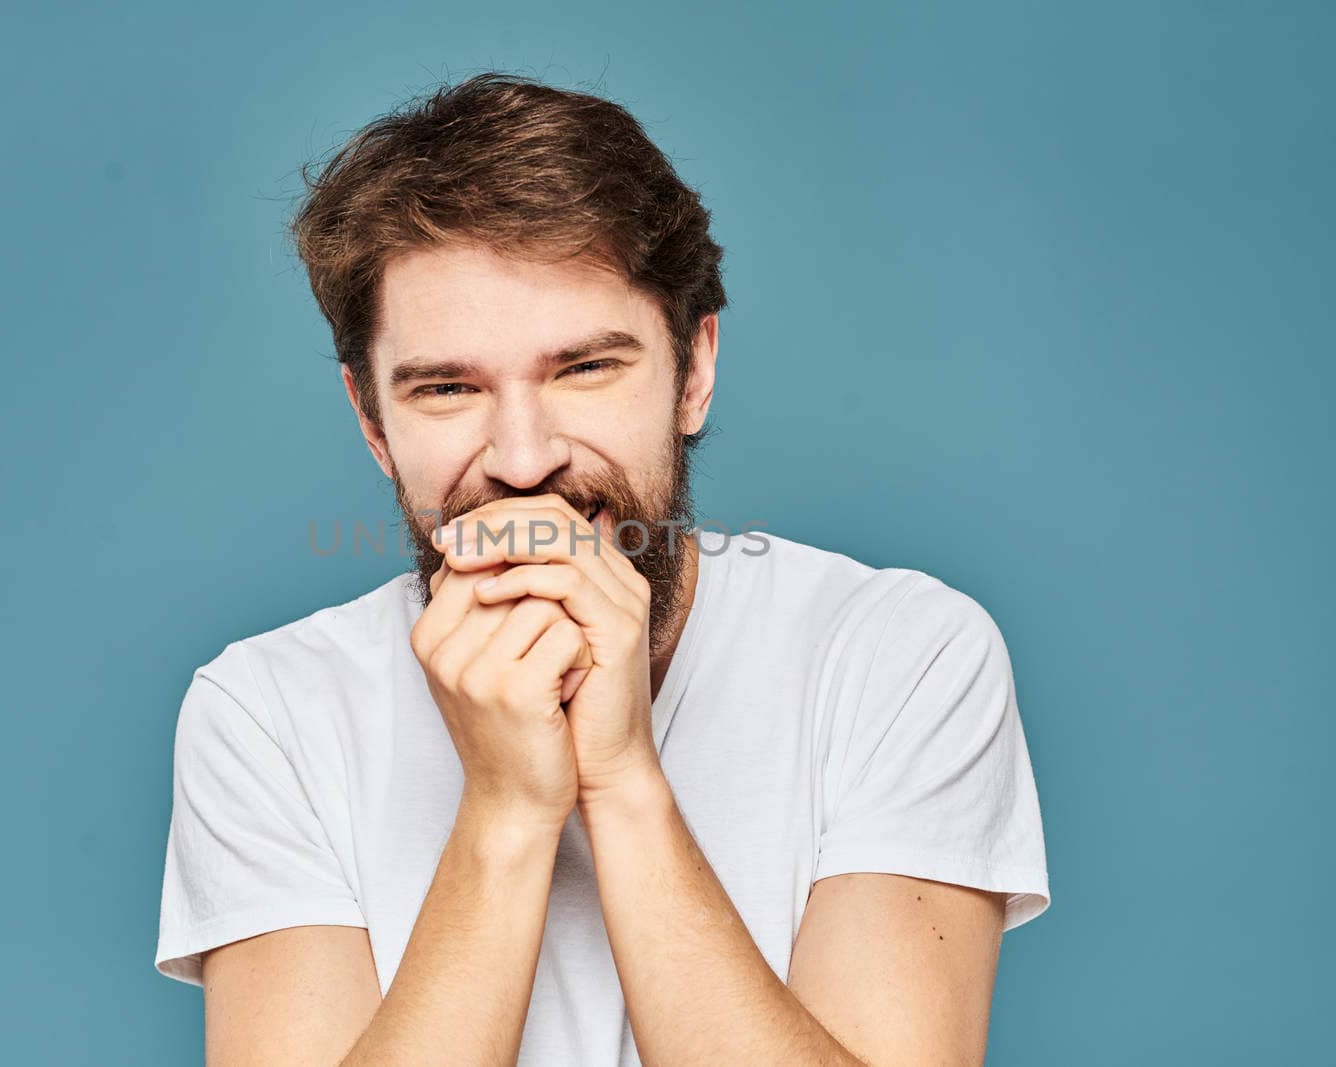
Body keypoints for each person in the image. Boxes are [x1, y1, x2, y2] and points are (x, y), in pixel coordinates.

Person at [155, 72, 1049, 1065]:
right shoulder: (268, 711)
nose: (525, 458)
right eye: (447, 387)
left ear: (693, 370)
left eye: (584, 369)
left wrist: (621, 776)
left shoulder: (898, 654)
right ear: (373, 423)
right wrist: (505, 808)